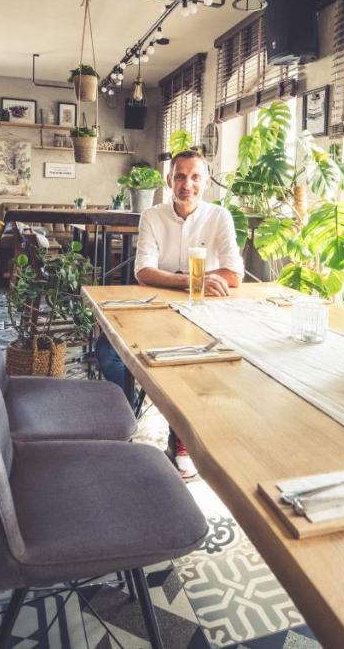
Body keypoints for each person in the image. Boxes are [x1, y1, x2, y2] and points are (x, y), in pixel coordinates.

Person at [94, 149, 243, 478]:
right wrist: (191, 279)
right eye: (180, 176)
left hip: (202, 312)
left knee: (195, 366)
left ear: (205, 182)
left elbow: (234, 274)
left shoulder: (219, 217)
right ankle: (129, 417)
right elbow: (143, 272)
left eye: (194, 177)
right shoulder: (153, 216)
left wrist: (199, 283)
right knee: (107, 352)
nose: (186, 184)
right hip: (150, 309)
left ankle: (181, 440)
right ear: (168, 180)